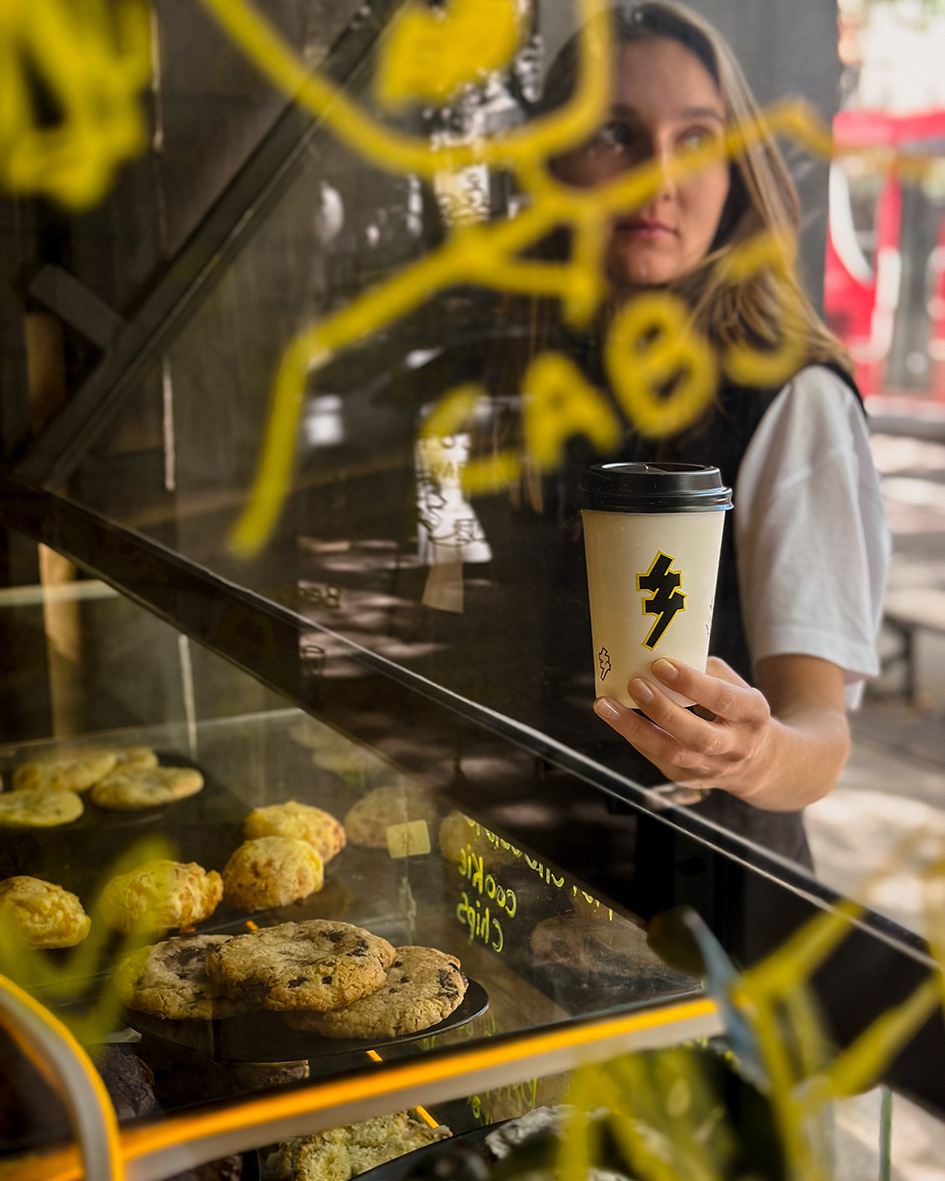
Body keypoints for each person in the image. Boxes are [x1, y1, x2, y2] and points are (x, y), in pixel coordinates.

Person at [520, 0, 889, 866]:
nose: (657, 178)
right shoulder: (537, 367)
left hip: (708, 891)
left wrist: (752, 753)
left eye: (695, 138)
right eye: (615, 132)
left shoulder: (789, 397)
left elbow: (818, 734)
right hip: (541, 867)